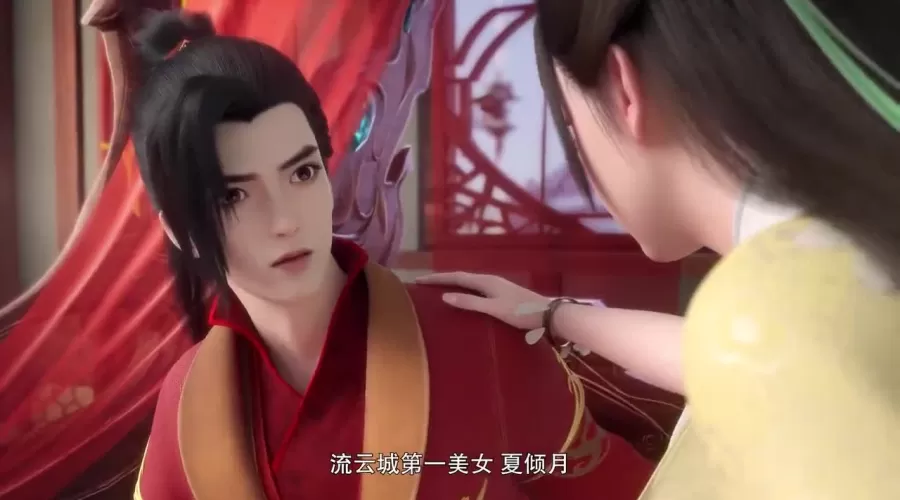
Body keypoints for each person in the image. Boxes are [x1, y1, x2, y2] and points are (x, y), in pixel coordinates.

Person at [129, 10, 653, 500]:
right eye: (233, 196)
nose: (285, 219)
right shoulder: (187, 401)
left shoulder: (478, 340)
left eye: (302, 172)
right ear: (179, 230)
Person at [418, 0, 900, 498]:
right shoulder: (832, 260)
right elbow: (720, 358)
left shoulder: (771, 309)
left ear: (623, 87)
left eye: (571, 129)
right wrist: (553, 314)